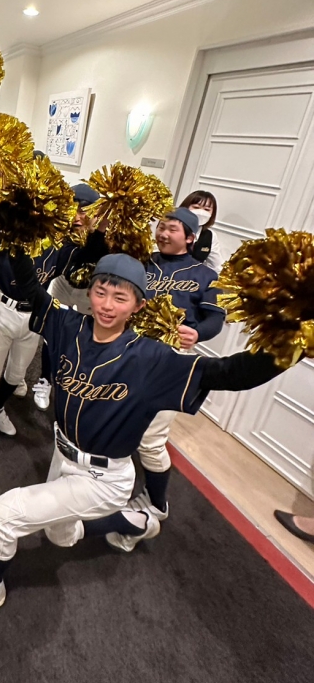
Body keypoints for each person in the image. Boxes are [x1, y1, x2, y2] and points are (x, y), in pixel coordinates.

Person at [0, 251, 292, 609]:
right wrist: (18, 237)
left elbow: (230, 374)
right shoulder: (67, 326)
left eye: (120, 297)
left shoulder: (152, 359)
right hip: (63, 455)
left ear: (138, 305)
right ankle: (136, 522)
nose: (107, 305)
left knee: (5, 514)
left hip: (103, 479)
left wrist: (294, 339)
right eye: (100, 292)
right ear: (89, 292)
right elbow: (30, 287)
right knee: (60, 535)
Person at [0, 209, 109, 473]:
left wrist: (100, 228)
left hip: (36, 315)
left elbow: (89, 253)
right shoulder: (9, 235)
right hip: (4, 310)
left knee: (17, 374)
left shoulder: (58, 245)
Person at [118, 207, 225, 544]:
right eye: (161, 227)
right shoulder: (142, 262)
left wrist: (198, 333)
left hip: (171, 360)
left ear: (190, 238)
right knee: (119, 419)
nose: (163, 233)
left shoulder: (206, 275)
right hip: (131, 350)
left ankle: (157, 502)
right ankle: (111, 485)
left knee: (151, 439)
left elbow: (215, 319)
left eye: (172, 229)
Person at [32, 183, 101, 411]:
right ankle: (45, 379)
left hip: (90, 292)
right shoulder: (62, 231)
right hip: (62, 284)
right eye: (73, 209)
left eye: (83, 211)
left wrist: (99, 233)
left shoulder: (105, 235)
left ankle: (75, 385)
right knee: (52, 331)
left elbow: (94, 253)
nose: (77, 217)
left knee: (84, 338)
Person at [180, 190, 223, 274]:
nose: (201, 212)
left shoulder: (210, 236)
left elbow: (216, 266)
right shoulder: (173, 228)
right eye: (196, 207)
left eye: (207, 209)